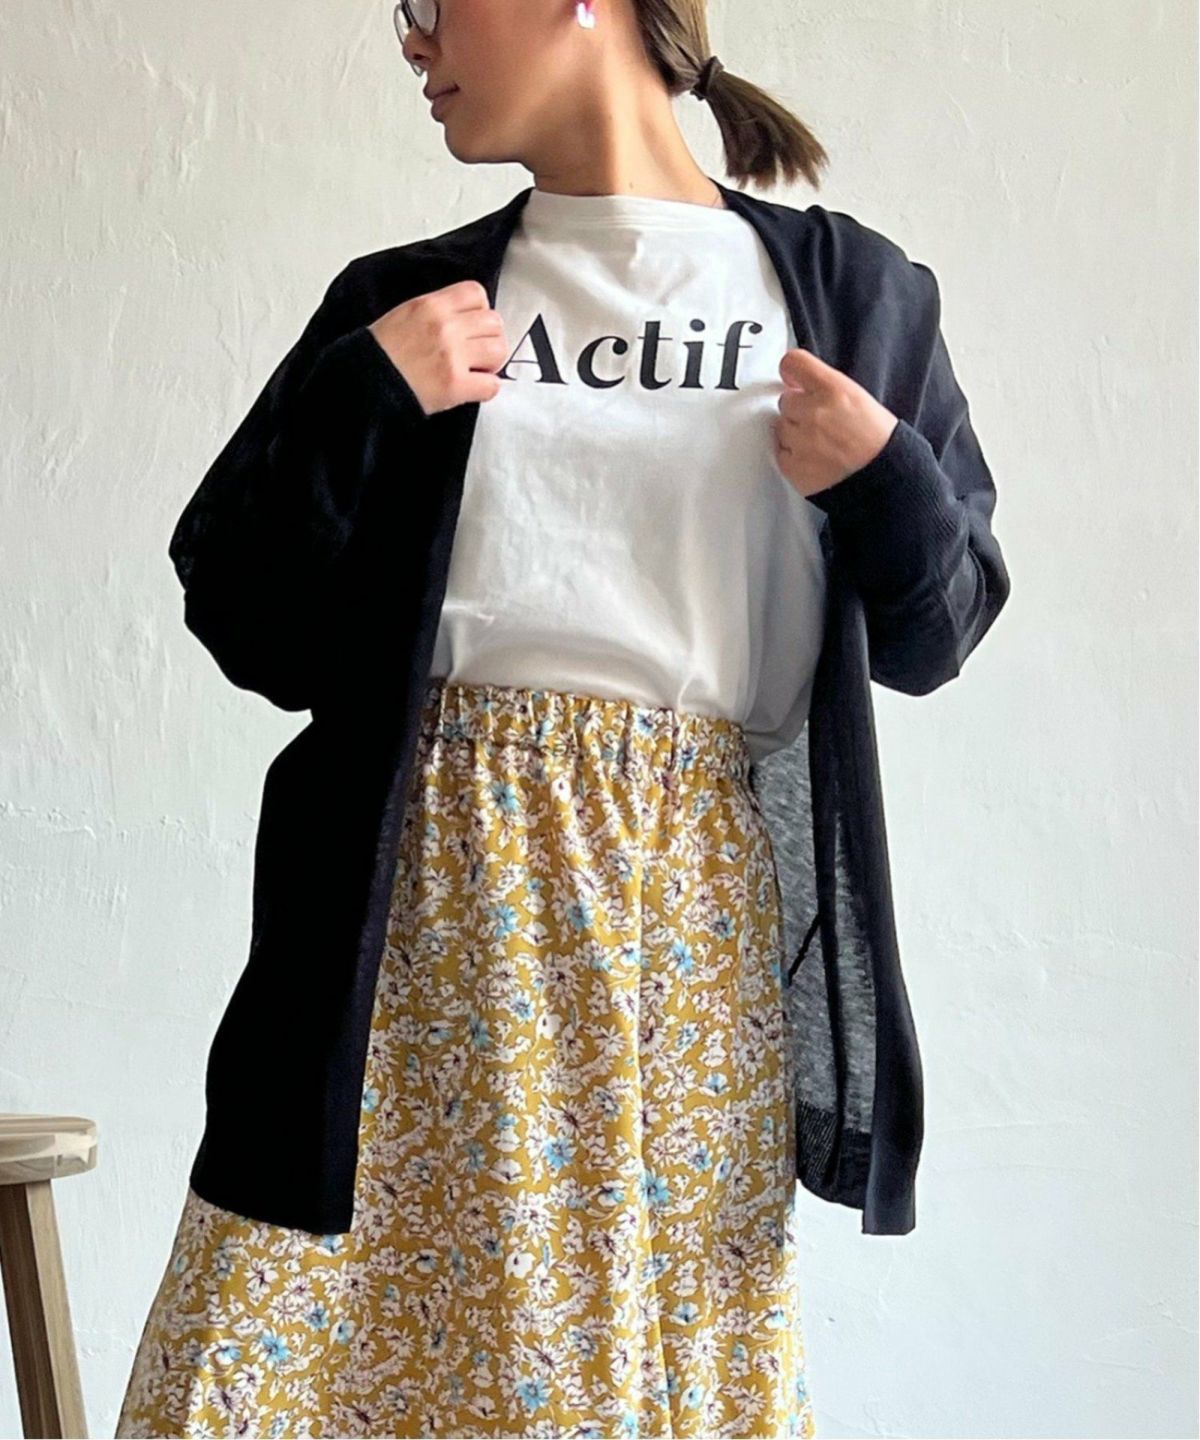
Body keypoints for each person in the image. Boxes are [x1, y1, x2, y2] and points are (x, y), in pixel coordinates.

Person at [116, 1, 1010, 1436]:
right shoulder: (403, 300)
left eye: (433, 2)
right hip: (414, 920)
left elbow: (940, 631)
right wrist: (363, 399)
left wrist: (886, 476)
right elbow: (246, 620)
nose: (413, 42)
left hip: (682, 927)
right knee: (286, 1353)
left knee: (628, 1372)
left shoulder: (855, 295)